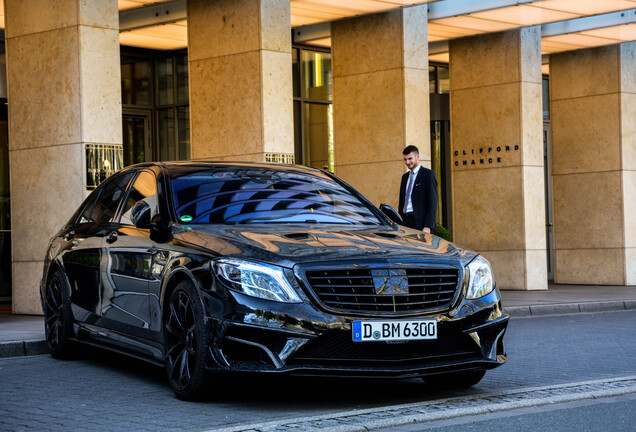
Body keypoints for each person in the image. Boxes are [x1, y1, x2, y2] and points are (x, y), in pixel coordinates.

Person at [398, 145, 438, 233]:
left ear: (418, 157)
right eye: (405, 159)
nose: (407, 162)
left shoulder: (428, 174)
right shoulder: (404, 177)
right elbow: (402, 202)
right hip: (405, 222)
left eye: (410, 158)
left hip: (420, 223)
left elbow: (433, 202)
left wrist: (428, 226)